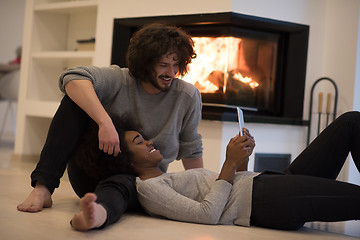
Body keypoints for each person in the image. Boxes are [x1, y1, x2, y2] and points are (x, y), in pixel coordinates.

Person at [17, 23, 204, 227]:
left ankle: (97, 214)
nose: (171, 72)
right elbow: (71, 77)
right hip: (93, 174)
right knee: (74, 101)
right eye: (163, 64)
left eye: (176, 64)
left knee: (124, 185)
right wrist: (104, 122)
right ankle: (43, 187)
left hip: (140, 183)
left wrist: (200, 190)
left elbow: (191, 149)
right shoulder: (120, 78)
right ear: (145, 62)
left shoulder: (187, 96)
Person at [71, 111, 360, 231]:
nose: (149, 141)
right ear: (124, 160)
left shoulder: (167, 176)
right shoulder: (149, 190)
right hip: (266, 202)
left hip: (269, 183)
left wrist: (242, 158)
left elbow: (230, 187)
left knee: (351, 122)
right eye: (139, 141)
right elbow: (208, 215)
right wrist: (229, 163)